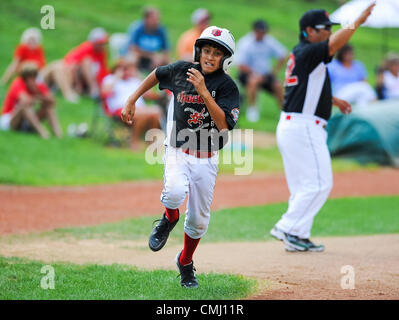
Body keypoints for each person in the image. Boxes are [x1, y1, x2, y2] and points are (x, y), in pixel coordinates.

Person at [121, 26, 239, 288]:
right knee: (174, 193)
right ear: (199, 51)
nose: (209, 56)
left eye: (216, 53)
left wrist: (204, 91)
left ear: (226, 59)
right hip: (178, 150)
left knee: (198, 222)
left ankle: (185, 261)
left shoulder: (228, 87)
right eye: (206, 50)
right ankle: (170, 217)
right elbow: (157, 74)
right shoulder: (182, 70)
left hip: (207, 158)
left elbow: (224, 126)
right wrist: (132, 99)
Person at [269, 4, 375, 252]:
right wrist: (356, 21)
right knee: (319, 183)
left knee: (302, 187)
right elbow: (333, 45)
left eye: (330, 27)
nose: (328, 31)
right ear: (307, 31)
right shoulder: (308, 52)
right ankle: (287, 227)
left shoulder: (302, 54)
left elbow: (306, 89)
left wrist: (334, 100)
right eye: (323, 28)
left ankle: (298, 235)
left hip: (294, 125)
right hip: (303, 127)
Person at [101, 57, 163, 150]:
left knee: (156, 112)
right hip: (121, 109)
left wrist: (140, 77)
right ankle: (134, 142)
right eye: (122, 69)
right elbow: (105, 93)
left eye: (127, 68)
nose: (125, 71)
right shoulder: (110, 79)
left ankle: (151, 143)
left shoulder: (134, 80)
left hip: (140, 108)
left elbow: (151, 95)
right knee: (144, 114)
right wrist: (116, 77)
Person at [235, 19, 288, 122]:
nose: (261, 34)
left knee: (278, 85)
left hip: (265, 75)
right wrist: (254, 73)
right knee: (253, 81)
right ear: (254, 31)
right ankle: (252, 109)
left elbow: (283, 54)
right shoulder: (245, 43)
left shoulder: (269, 41)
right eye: (260, 31)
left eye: (263, 32)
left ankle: (284, 112)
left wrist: (274, 72)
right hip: (247, 74)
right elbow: (240, 64)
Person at [41, 27, 109, 103]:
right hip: (77, 77)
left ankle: (65, 91)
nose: (103, 46)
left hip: (87, 81)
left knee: (58, 66)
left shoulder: (102, 53)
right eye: (100, 43)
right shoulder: (87, 48)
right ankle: (42, 82)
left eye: (103, 43)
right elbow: (69, 61)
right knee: (57, 66)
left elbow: (103, 70)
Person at [0, 62, 62, 139]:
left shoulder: (37, 84)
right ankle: (43, 133)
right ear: (24, 77)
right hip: (10, 119)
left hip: (27, 119)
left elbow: (52, 101)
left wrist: (37, 93)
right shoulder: (18, 83)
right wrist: (38, 97)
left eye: (34, 76)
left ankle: (59, 135)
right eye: (30, 77)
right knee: (24, 106)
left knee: (49, 107)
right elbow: (25, 101)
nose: (33, 79)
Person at [126, 7, 169, 73]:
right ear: (146, 19)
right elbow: (133, 48)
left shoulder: (161, 30)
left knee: (167, 61)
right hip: (140, 55)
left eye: (158, 19)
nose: (157, 21)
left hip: (153, 57)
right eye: (154, 19)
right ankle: (135, 76)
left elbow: (166, 50)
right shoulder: (137, 28)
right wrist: (151, 55)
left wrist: (161, 57)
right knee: (132, 58)